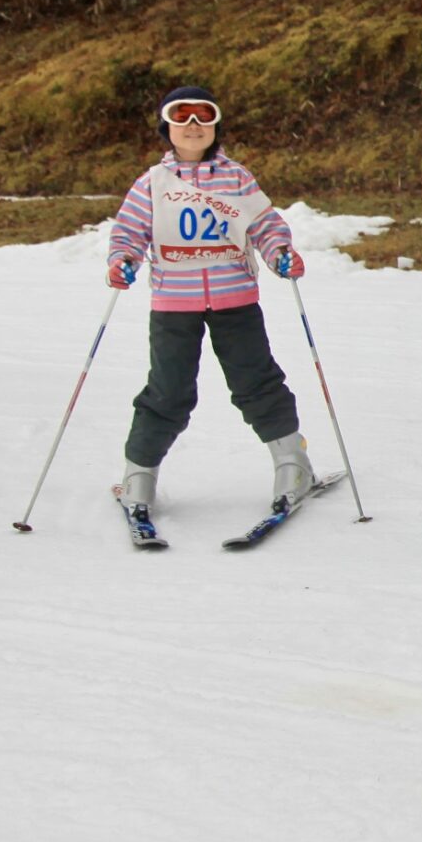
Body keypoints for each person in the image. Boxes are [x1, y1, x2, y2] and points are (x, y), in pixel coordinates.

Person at [107, 86, 315, 525]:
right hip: (174, 303)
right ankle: (138, 475)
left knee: (256, 381)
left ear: (216, 126)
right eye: (181, 115)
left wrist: (279, 252)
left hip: (234, 298)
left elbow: (264, 224)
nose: (193, 125)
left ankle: (292, 463)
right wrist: (122, 260)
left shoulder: (236, 178)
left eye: (204, 115)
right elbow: (129, 232)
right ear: (166, 127)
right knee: (168, 391)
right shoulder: (152, 183)